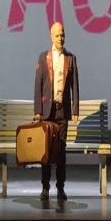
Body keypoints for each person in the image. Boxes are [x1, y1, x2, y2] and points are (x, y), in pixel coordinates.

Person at [33, 22, 79, 201]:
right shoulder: (44, 57)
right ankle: (45, 187)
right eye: (57, 35)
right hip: (47, 111)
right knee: (46, 151)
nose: (61, 38)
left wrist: (75, 108)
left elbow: (75, 85)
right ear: (51, 37)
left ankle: (60, 187)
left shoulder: (70, 58)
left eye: (62, 35)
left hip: (62, 111)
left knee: (60, 151)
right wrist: (38, 111)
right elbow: (38, 85)